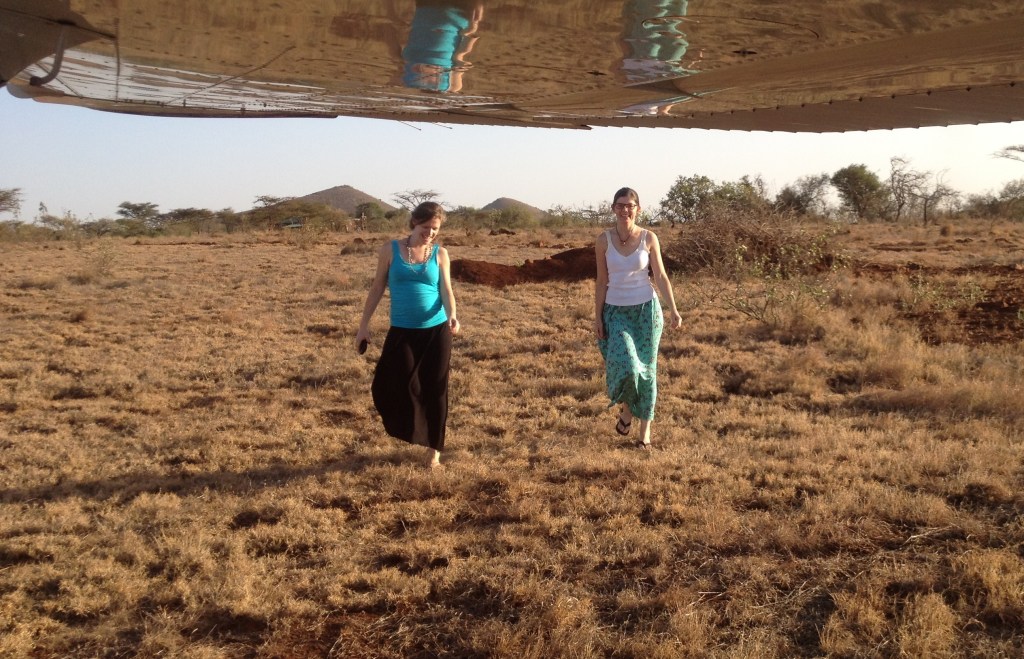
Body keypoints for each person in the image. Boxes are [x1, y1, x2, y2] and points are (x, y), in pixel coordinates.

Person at [355, 201, 461, 468]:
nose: (430, 234)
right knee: (390, 383)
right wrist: (363, 325)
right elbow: (378, 286)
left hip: (436, 330)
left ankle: (434, 451)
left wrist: (453, 314)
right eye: (426, 227)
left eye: (435, 229)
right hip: (402, 329)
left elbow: (446, 290)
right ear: (414, 222)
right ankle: (413, 430)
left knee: (436, 389)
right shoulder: (390, 250)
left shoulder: (440, 253)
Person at [594, 187, 682, 448]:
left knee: (648, 370)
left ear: (638, 209)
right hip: (616, 311)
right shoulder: (603, 240)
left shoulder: (649, 238)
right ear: (613, 209)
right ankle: (627, 409)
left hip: (647, 311)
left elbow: (661, 277)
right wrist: (597, 317)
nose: (625, 210)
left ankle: (645, 434)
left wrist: (674, 310)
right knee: (628, 365)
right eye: (620, 205)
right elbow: (601, 281)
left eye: (630, 205)